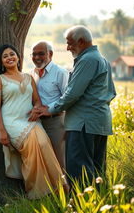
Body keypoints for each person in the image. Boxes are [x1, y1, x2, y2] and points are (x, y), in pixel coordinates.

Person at [0, 44, 68, 199]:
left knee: (43, 144)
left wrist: (36, 109)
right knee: (32, 149)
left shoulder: (28, 77)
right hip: (12, 123)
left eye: (12, 54)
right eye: (5, 56)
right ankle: (37, 192)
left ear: (18, 57)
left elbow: (37, 102)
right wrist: (1, 130)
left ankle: (60, 185)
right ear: (1, 62)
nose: (9, 58)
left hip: (31, 121)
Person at [35, 25, 116, 185]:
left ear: (80, 41)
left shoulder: (87, 60)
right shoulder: (102, 59)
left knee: (79, 173)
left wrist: (50, 109)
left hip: (82, 124)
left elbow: (72, 93)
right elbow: (111, 93)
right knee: (97, 172)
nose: (67, 47)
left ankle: (80, 207)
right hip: (99, 122)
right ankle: (97, 206)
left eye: (70, 43)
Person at [31, 40, 68, 171]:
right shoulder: (32, 73)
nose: (36, 57)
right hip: (37, 124)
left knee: (59, 160)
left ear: (50, 54)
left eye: (41, 54)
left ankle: (65, 190)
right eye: (34, 54)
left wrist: (49, 109)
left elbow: (67, 99)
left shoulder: (60, 72)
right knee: (44, 161)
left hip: (55, 122)